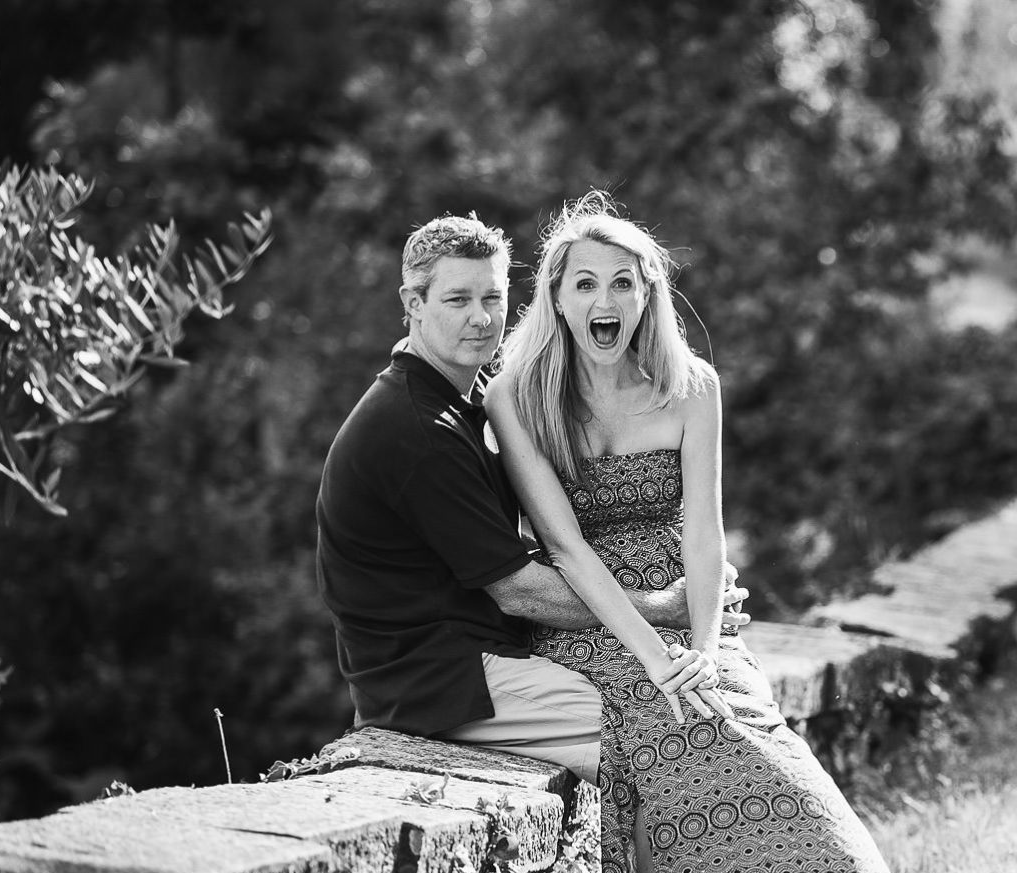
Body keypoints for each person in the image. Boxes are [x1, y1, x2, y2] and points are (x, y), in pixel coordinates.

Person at [483, 192, 939, 873]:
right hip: (593, 620)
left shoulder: (692, 387)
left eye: (624, 283)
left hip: (693, 614)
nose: (605, 303)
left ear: (650, 293)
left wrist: (699, 647)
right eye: (585, 285)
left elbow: (704, 530)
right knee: (684, 727)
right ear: (557, 295)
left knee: (745, 722)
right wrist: (657, 658)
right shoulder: (519, 394)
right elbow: (567, 551)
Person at [316, 213, 747, 796]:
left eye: (492, 297)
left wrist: (701, 616)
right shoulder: (417, 428)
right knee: (660, 729)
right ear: (412, 303)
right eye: (457, 298)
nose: (480, 317)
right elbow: (518, 589)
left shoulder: (450, 403)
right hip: (441, 682)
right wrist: (668, 607)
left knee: (703, 717)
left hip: (482, 659)